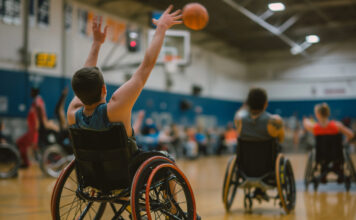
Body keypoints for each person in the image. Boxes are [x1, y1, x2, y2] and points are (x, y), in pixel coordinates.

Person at [234, 87, 285, 201]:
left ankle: (258, 191)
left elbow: (239, 115)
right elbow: (281, 139)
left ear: (248, 104)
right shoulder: (275, 121)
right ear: (265, 103)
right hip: (268, 169)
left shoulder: (239, 120)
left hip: (245, 169)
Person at [303, 102, 354, 183]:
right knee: (338, 157)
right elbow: (351, 134)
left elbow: (306, 124)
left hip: (321, 157)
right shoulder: (337, 126)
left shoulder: (315, 127)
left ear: (318, 114)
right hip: (337, 155)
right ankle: (339, 173)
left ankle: (323, 174)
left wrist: (306, 120)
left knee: (323, 160)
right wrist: (345, 141)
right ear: (328, 113)